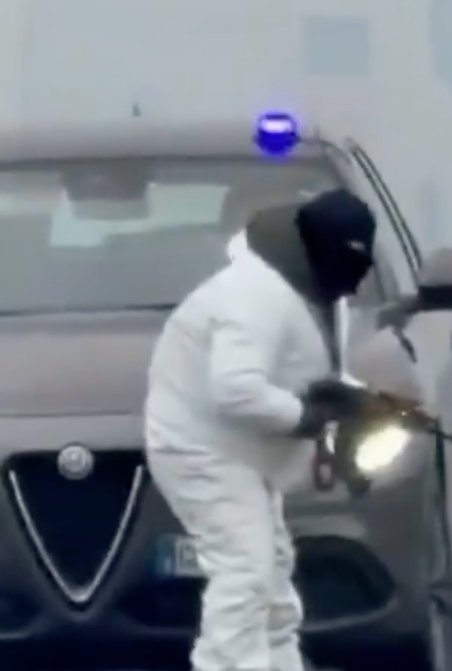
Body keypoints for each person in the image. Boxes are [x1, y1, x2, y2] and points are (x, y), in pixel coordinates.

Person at [144, 188, 377, 671]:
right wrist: (305, 416)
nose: (352, 282)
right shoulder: (254, 294)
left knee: (270, 574)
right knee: (245, 572)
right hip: (202, 450)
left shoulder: (310, 285)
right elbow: (234, 389)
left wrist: (349, 399)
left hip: (243, 454)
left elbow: (300, 364)